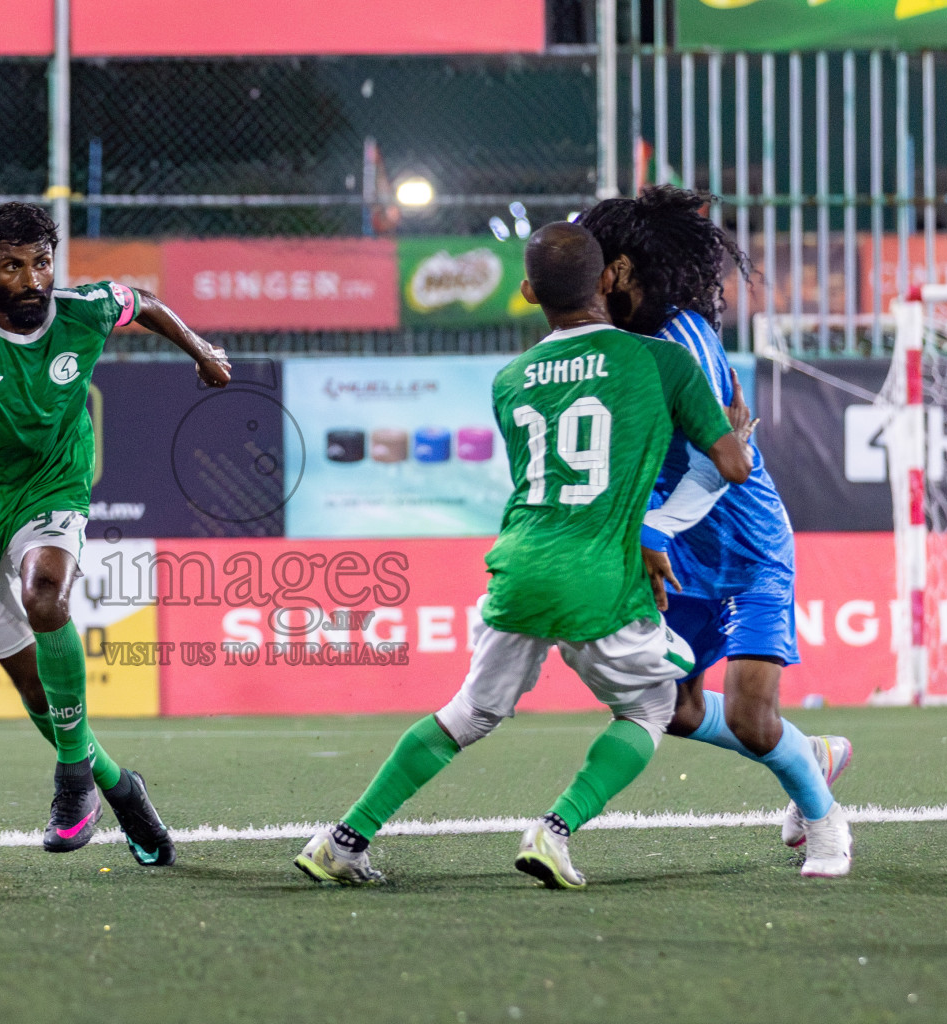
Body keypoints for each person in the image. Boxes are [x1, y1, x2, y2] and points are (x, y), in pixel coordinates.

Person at [294, 222, 752, 889]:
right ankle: (554, 829)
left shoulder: (511, 379)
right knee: (654, 705)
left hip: (518, 562)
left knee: (470, 712)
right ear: (606, 280)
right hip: (597, 573)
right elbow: (732, 466)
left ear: (529, 291)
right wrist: (735, 429)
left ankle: (344, 839)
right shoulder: (661, 362)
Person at [0, 202, 231, 865]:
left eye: (41, 262)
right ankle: (120, 789)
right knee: (39, 692)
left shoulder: (83, 309)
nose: (33, 279)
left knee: (47, 595)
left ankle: (72, 781)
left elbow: (145, 302)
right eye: (12, 266)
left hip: (53, 487)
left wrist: (201, 350)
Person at [579, 185, 853, 878]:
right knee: (675, 708)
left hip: (748, 545)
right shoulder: (607, 343)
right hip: (678, 552)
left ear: (624, 270)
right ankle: (811, 754)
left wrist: (653, 527)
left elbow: (720, 464)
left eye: (595, 262)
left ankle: (825, 825)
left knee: (754, 721)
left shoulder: (683, 342)